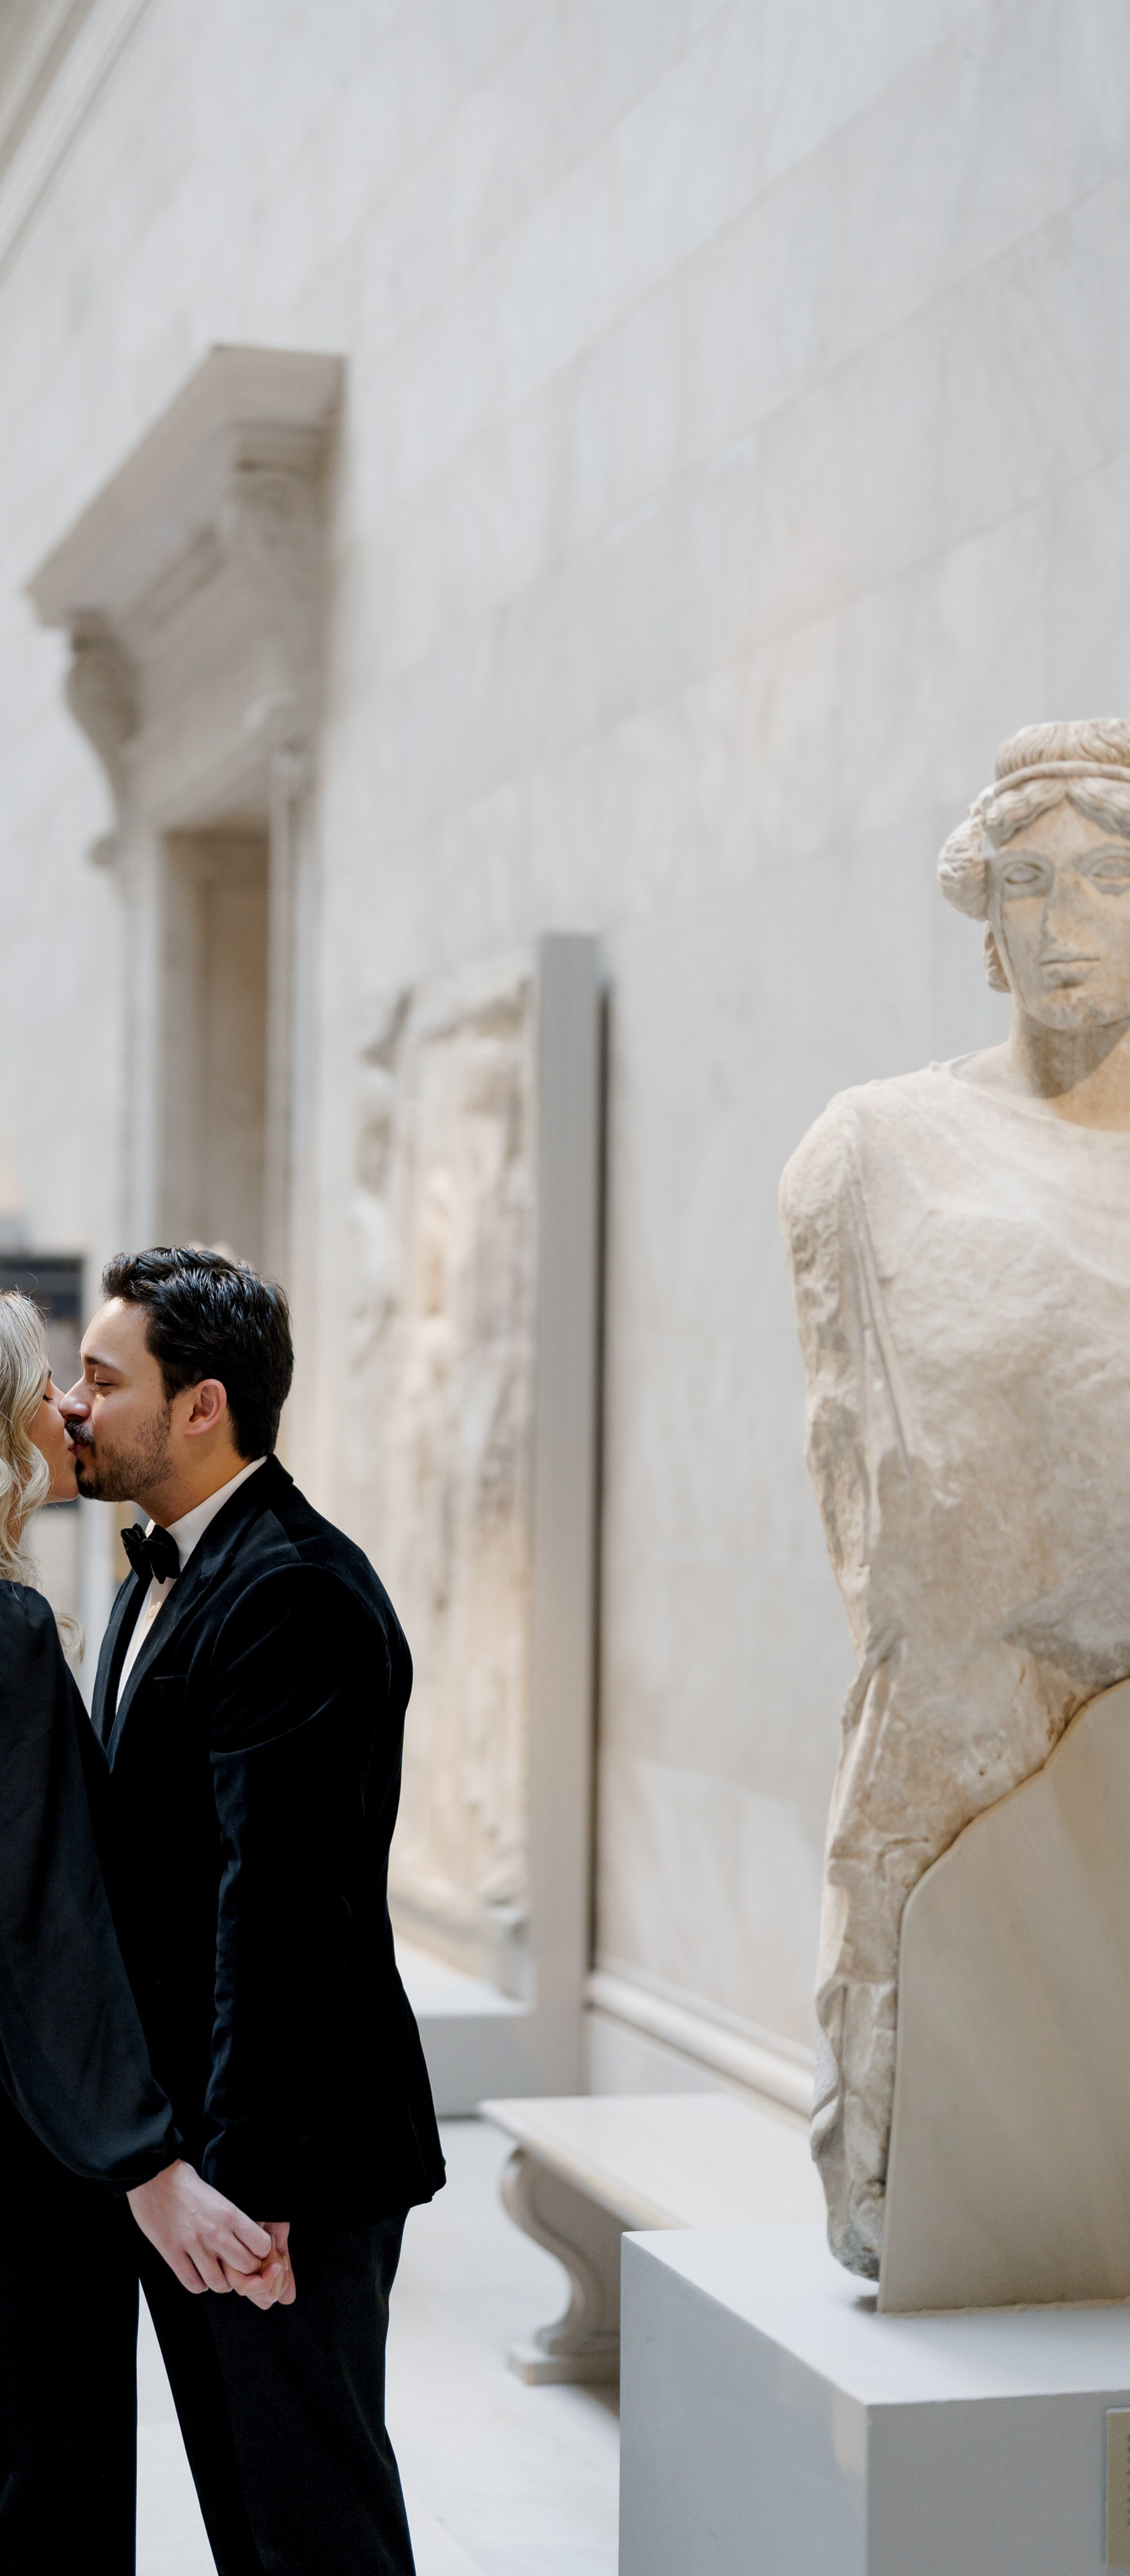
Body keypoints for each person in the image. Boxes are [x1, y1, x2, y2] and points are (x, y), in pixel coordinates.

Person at [0, 1289, 289, 2575]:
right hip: (8, 2159)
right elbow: (42, 1934)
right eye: (39, 1383)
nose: (65, 1406)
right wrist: (151, 2171)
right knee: (21, 2526)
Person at [782, 716, 1130, 2279]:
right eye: (1025, 883)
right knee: (938, 2174)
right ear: (982, 922)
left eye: (1104, 879)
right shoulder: (874, 1152)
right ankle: (887, 2160)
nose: (1062, 921)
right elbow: (872, 1498)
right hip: (965, 1729)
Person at [62, 1246, 446, 2576]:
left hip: (287, 2160)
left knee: (312, 2525)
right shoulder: (157, 1571)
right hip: (204, 2145)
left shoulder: (291, 1592)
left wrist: (244, 2186)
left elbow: (279, 1912)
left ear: (200, 1406)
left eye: (102, 1381)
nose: (72, 1405)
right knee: (249, 2515)